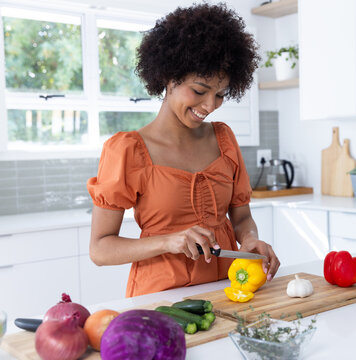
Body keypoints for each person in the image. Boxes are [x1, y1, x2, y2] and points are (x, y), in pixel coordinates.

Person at [87, 3, 280, 297]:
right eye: (200, 91)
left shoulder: (224, 139)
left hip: (229, 291)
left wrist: (250, 240)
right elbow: (100, 249)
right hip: (160, 298)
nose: (209, 106)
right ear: (169, 76)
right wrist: (168, 242)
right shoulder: (127, 150)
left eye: (220, 95)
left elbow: (241, 218)